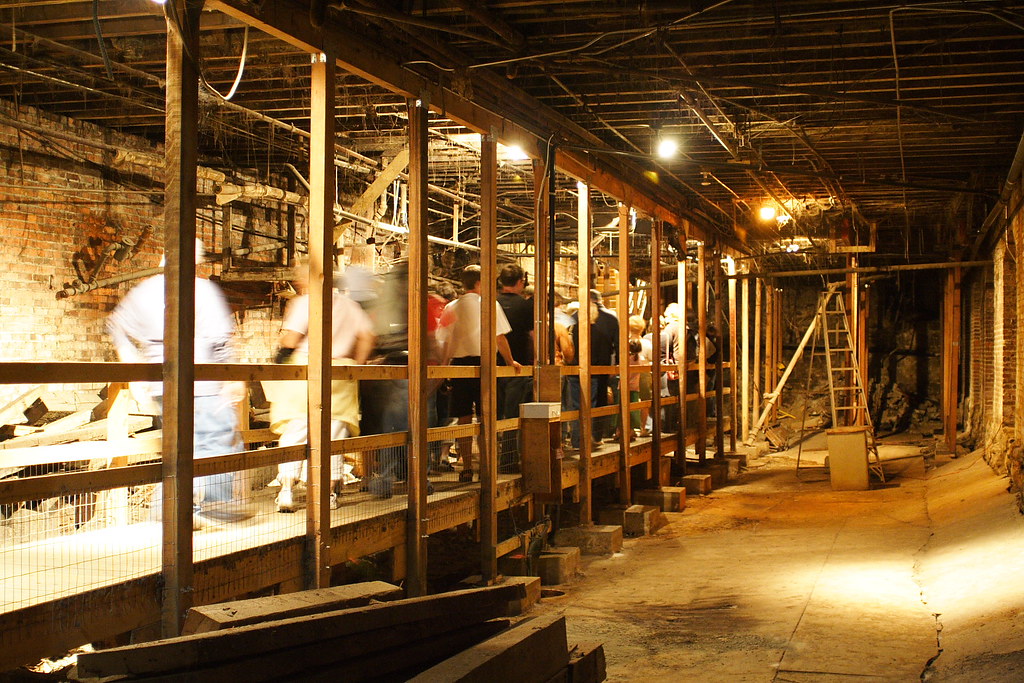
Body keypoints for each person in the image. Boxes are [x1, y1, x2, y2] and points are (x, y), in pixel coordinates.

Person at [107, 238, 249, 530]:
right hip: (203, 383)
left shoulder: (144, 291)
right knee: (218, 439)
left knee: (179, 447)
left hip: (163, 385)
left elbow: (115, 326)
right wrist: (232, 376)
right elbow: (220, 340)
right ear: (195, 263)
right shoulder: (202, 291)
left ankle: (167, 509)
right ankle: (212, 505)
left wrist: (133, 366)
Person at [269, 262, 375, 512]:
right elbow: (368, 337)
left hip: (306, 372)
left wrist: (282, 342)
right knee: (332, 437)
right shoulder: (351, 306)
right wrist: (356, 366)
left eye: (300, 278)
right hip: (340, 373)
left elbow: (292, 338)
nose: (298, 282)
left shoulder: (305, 303)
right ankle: (326, 497)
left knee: (296, 432)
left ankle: (286, 492)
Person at [436, 265, 522, 482]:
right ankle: (485, 464)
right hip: (484, 363)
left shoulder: (451, 307)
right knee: (486, 417)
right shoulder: (490, 305)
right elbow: (499, 337)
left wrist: (444, 366)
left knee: (464, 418)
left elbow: (444, 340)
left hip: (460, 366)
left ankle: (466, 467)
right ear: (479, 283)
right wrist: (510, 361)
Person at [565, 289, 619, 449]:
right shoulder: (610, 320)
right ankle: (593, 437)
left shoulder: (572, 321)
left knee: (576, 405)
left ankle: (577, 440)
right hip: (599, 370)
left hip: (575, 369)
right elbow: (617, 346)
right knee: (596, 404)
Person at [496, 263, 533, 473]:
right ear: (520, 282)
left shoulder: (491, 303)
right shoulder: (526, 306)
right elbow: (533, 335)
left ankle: (487, 460)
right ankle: (508, 461)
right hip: (517, 367)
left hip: (492, 366)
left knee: (491, 414)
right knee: (511, 416)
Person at [628, 315, 653, 436]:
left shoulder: (625, 342)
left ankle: (629, 428)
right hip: (644, 373)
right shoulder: (647, 343)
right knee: (645, 400)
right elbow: (653, 358)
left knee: (628, 399)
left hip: (628, 374)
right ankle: (643, 428)